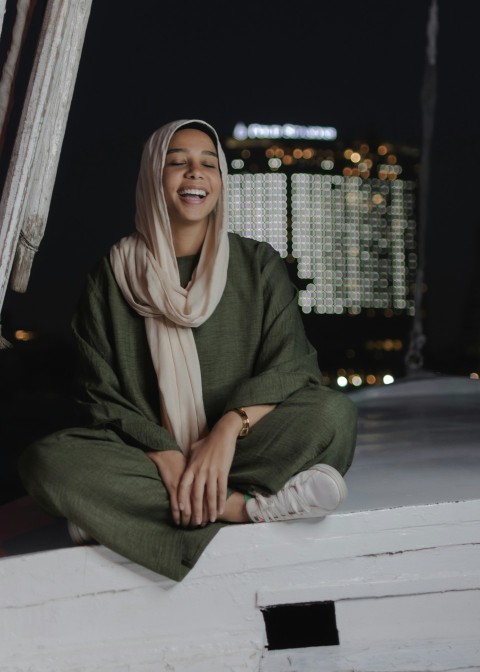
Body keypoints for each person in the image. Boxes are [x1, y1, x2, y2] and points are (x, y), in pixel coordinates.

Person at [18, 119, 357, 581]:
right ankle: (244, 509)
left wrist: (223, 433)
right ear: (152, 179)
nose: (195, 174)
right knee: (48, 462)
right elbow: (101, 395)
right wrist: (169, 456)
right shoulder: (112, 275)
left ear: (221, 181)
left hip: (240, 447)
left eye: (208, 164)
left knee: (333, 416)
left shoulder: (258, 263)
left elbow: (291, 365)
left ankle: (123, 513)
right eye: (177, 163)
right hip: (153, 458)